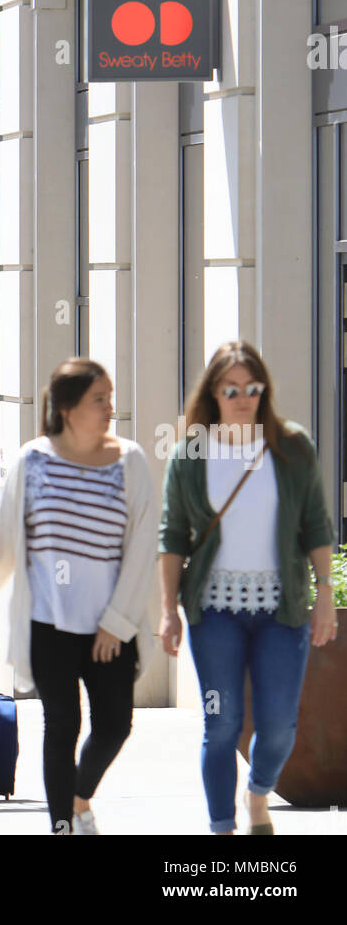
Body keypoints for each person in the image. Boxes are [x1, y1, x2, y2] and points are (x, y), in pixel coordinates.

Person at [0, 358, 157, 835]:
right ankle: (62, 825)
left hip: (110, 626)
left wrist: (118, 622)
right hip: (48, 625)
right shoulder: (32, 461)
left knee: (114, 726)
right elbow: (1, 540)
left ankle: (79, 798)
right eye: (99, 400)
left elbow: (144, 544)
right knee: (62, 726)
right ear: (66, 408)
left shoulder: (130, 460)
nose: (110, 409)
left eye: (110, 398)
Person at [158, 340, 337, 836]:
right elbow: (172, 534)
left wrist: (325, 594)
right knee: (221, 724)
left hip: (282, 611)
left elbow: (316, 526)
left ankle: (258, 792)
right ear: (214, 392)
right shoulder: (192, 451)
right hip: (213, 613)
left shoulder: (292, 445)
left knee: (279, 726)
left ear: (264, 390)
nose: (242, 397)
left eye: (251, 388)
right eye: (231, 388)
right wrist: (168, 611)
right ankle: (223, 830)